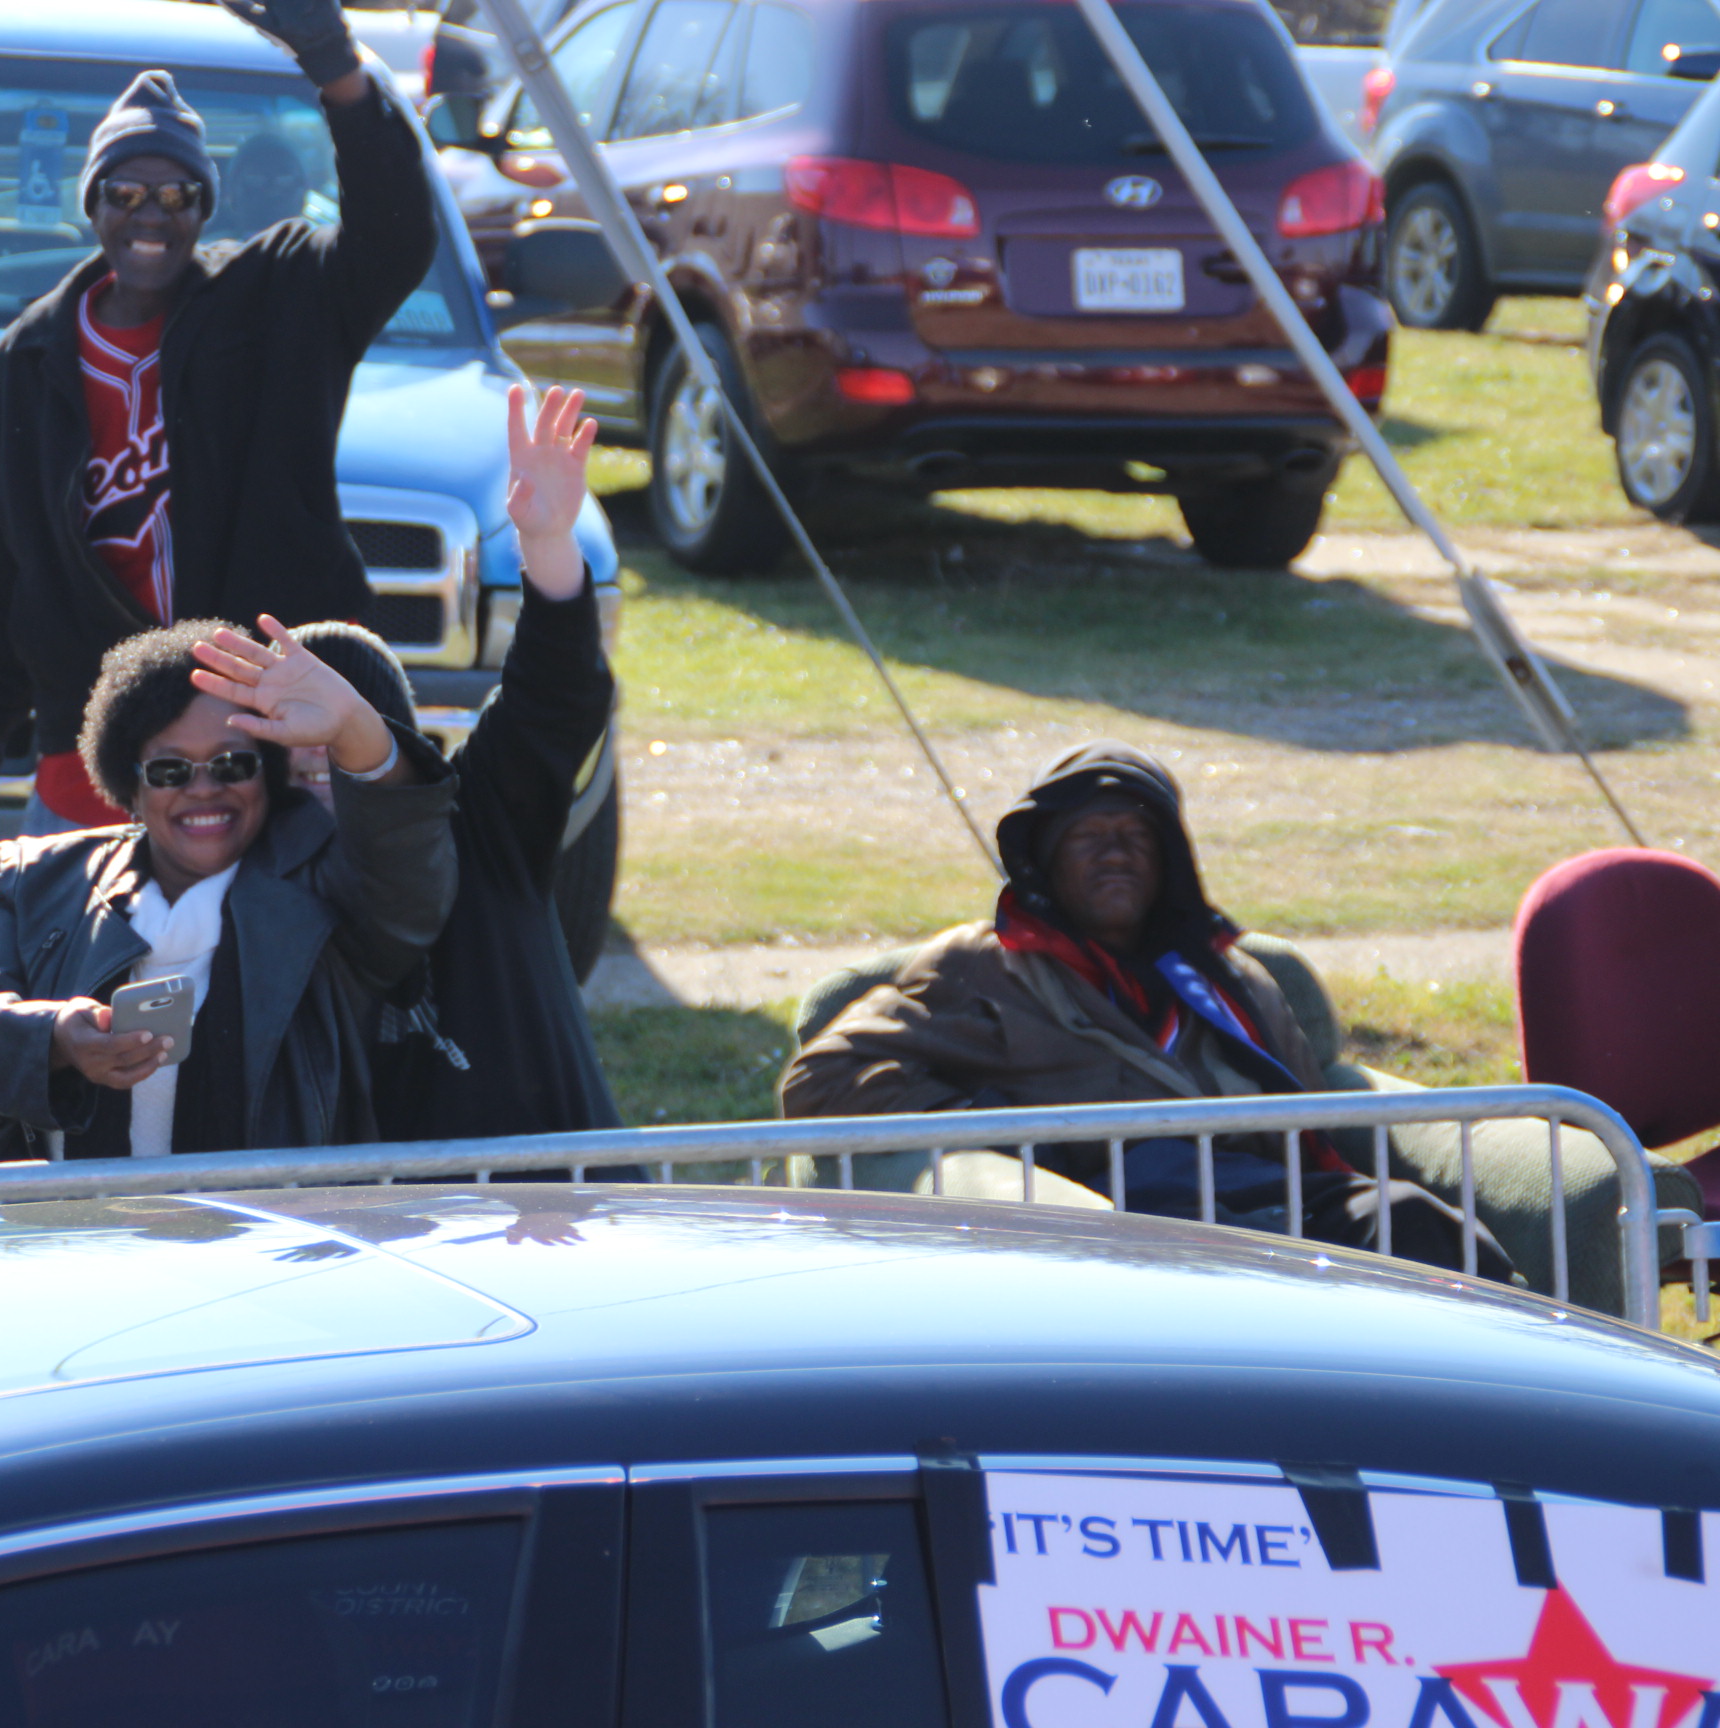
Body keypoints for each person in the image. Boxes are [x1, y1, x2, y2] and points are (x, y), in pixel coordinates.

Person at [0, 0, 438, 869]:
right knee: (88, 982)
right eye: (125, 194)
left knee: (287, 978)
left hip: (269, 733)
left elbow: (396, 239)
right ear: (93, 206)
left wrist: (340, 75)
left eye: (176, 194)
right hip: (94, 747)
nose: (149, 215)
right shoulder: (27, 364)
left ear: (205, 208)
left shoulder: (276, 302)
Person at [780, 743, 1516, 1280]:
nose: (1115, 855)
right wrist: (997, 1122)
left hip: (1275, 1197)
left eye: (1135, 838)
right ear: (1045, 863)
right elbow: (821, 1079)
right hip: (1128, 1219)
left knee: (1416, 1224)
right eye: (1088, 839)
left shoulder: (1230, 976)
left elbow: (1312, 1115)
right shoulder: (983, 968)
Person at [0, 615, 456, 1159]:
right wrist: (55, 1037)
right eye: (170, 771)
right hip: (76, 1239)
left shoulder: (329, 890)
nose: (204, 790)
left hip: (274, 1238)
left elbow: (405, 869)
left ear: (267, 773)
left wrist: (358, 732)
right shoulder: (39, 879)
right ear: (128, 783)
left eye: (232, 764)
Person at [290, 385, 621, 1144]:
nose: (318, 752)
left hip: (554, 1219)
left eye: (342, 734)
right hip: (379, 1235)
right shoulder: (263, 873)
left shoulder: (480, 824)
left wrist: (544, 545)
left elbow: (553, 701)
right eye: (294, 737)